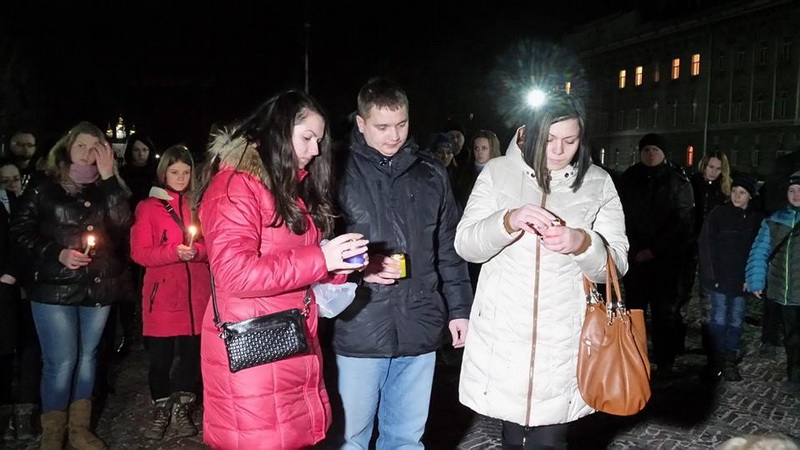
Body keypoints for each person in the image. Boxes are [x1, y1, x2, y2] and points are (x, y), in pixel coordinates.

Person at [454, 91, 628, 449]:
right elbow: (466, 245)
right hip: (504, 333)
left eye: (570, 140)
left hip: (564, 336)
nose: (559, 150)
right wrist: (507, 221)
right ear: (531, 133)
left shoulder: (598, 182)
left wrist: (583, 243)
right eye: (549, 139)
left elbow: (616, 264)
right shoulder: (498, 172)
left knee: (549, 439)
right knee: (512, 436)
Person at [197, 89, 368, 449]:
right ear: (277, 130)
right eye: (307, 137)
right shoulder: (235, 185)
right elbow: (234, 273)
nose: (315, 150)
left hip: (290, 338)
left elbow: (294, 265)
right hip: (254, 348)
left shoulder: (287, 188)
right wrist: (321, 259)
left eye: (319, 140)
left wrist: (340, 266)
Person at [333, 77, 472, 449]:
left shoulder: (431, 172)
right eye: (382, 127)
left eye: (401, 124)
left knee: (407, 439)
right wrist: (361, 265)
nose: (394, 135)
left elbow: (450, 248)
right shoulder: (335, 171)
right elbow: (317, 247)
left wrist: (460, 310)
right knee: (351, 439)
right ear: (361, 123)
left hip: (420, 325)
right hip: (360, 326)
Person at [10, 121, 132, 450]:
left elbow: (123, 225)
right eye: (81, 145)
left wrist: (109, 178)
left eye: (95, 147)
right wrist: (57, 253)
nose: (87, 152)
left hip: (98, 286)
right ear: (67, 146)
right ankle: (53, 432)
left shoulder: (109, 186)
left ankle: (79, 429)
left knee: (88, 357)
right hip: (54, 288)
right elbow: (20, 229)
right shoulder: (44, 185)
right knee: (61, 360)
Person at [129, 144, 210, 440]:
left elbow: (212, 245)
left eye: (186, 172)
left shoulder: (198, 205)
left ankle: (183, 407)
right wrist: (173, 252)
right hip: (162, 295)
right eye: (174, 172)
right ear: (164, 172)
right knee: (160, 359)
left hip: (196, 295)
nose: (180, 178)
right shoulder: (148, 207)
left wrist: (198, 252)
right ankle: (162, 406)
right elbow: (139, 253)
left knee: (191, 357)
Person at [619, 132, 694, 377]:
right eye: (646, 150)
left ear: (663, 153)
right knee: (634, 312)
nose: (650, 154)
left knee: (664, 315)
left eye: (655, 150)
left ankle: (664, 363)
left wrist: (655, 249)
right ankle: (634, 358)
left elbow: (683, 222)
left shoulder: (677, 181)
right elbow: (619, 214)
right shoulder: (629, 178)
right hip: (635, 259)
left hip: (665, 262)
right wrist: (632, 248)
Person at [698, 174, 763, 382]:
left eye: (742, 193)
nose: (737, 196)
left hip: (741, 280)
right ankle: (715, 359)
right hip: (720, 277)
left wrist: (751, 278)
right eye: (734, 191)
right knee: (718, 317)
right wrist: (711, 275)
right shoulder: (719, 214)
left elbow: (758, 251)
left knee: (736, 318)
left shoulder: (756, 219)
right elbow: (706, 245)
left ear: (750, 196)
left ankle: (729, 358)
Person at [746, 171, 800, 395]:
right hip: (787, 292)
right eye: (792, 190)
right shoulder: (775, 220)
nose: (796, 195)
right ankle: (795, 377)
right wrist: (755, 281)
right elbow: (760, 252)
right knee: (793, 338)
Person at [0, 158, 41, 442]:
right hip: (4, 290)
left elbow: (28, 242)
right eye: (5, 181)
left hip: (27, 286)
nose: (12, 185)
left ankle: (25, 412)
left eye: (16, 179)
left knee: (30, 348)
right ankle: (5, 415)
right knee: (4, 351)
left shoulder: (26, 206)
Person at [114, 134, 159, 357]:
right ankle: (129, 333)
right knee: (128, 288)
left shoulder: (157, 175)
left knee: (150, 286)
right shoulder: (123, 176)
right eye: (137, 150)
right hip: (127, 236)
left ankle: (150, 333)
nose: (141, 155)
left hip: (153, 236)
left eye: (145, 150)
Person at [688, 151, 732, 357]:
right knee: (682, 293)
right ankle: (675, 340)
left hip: (711, 249)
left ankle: (709, 343)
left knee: (707, 296)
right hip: (689, 245)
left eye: (718, 168)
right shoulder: (691, 184)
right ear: (704, 166)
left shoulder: (724, 192)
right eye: (711, 167)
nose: (713, 172)